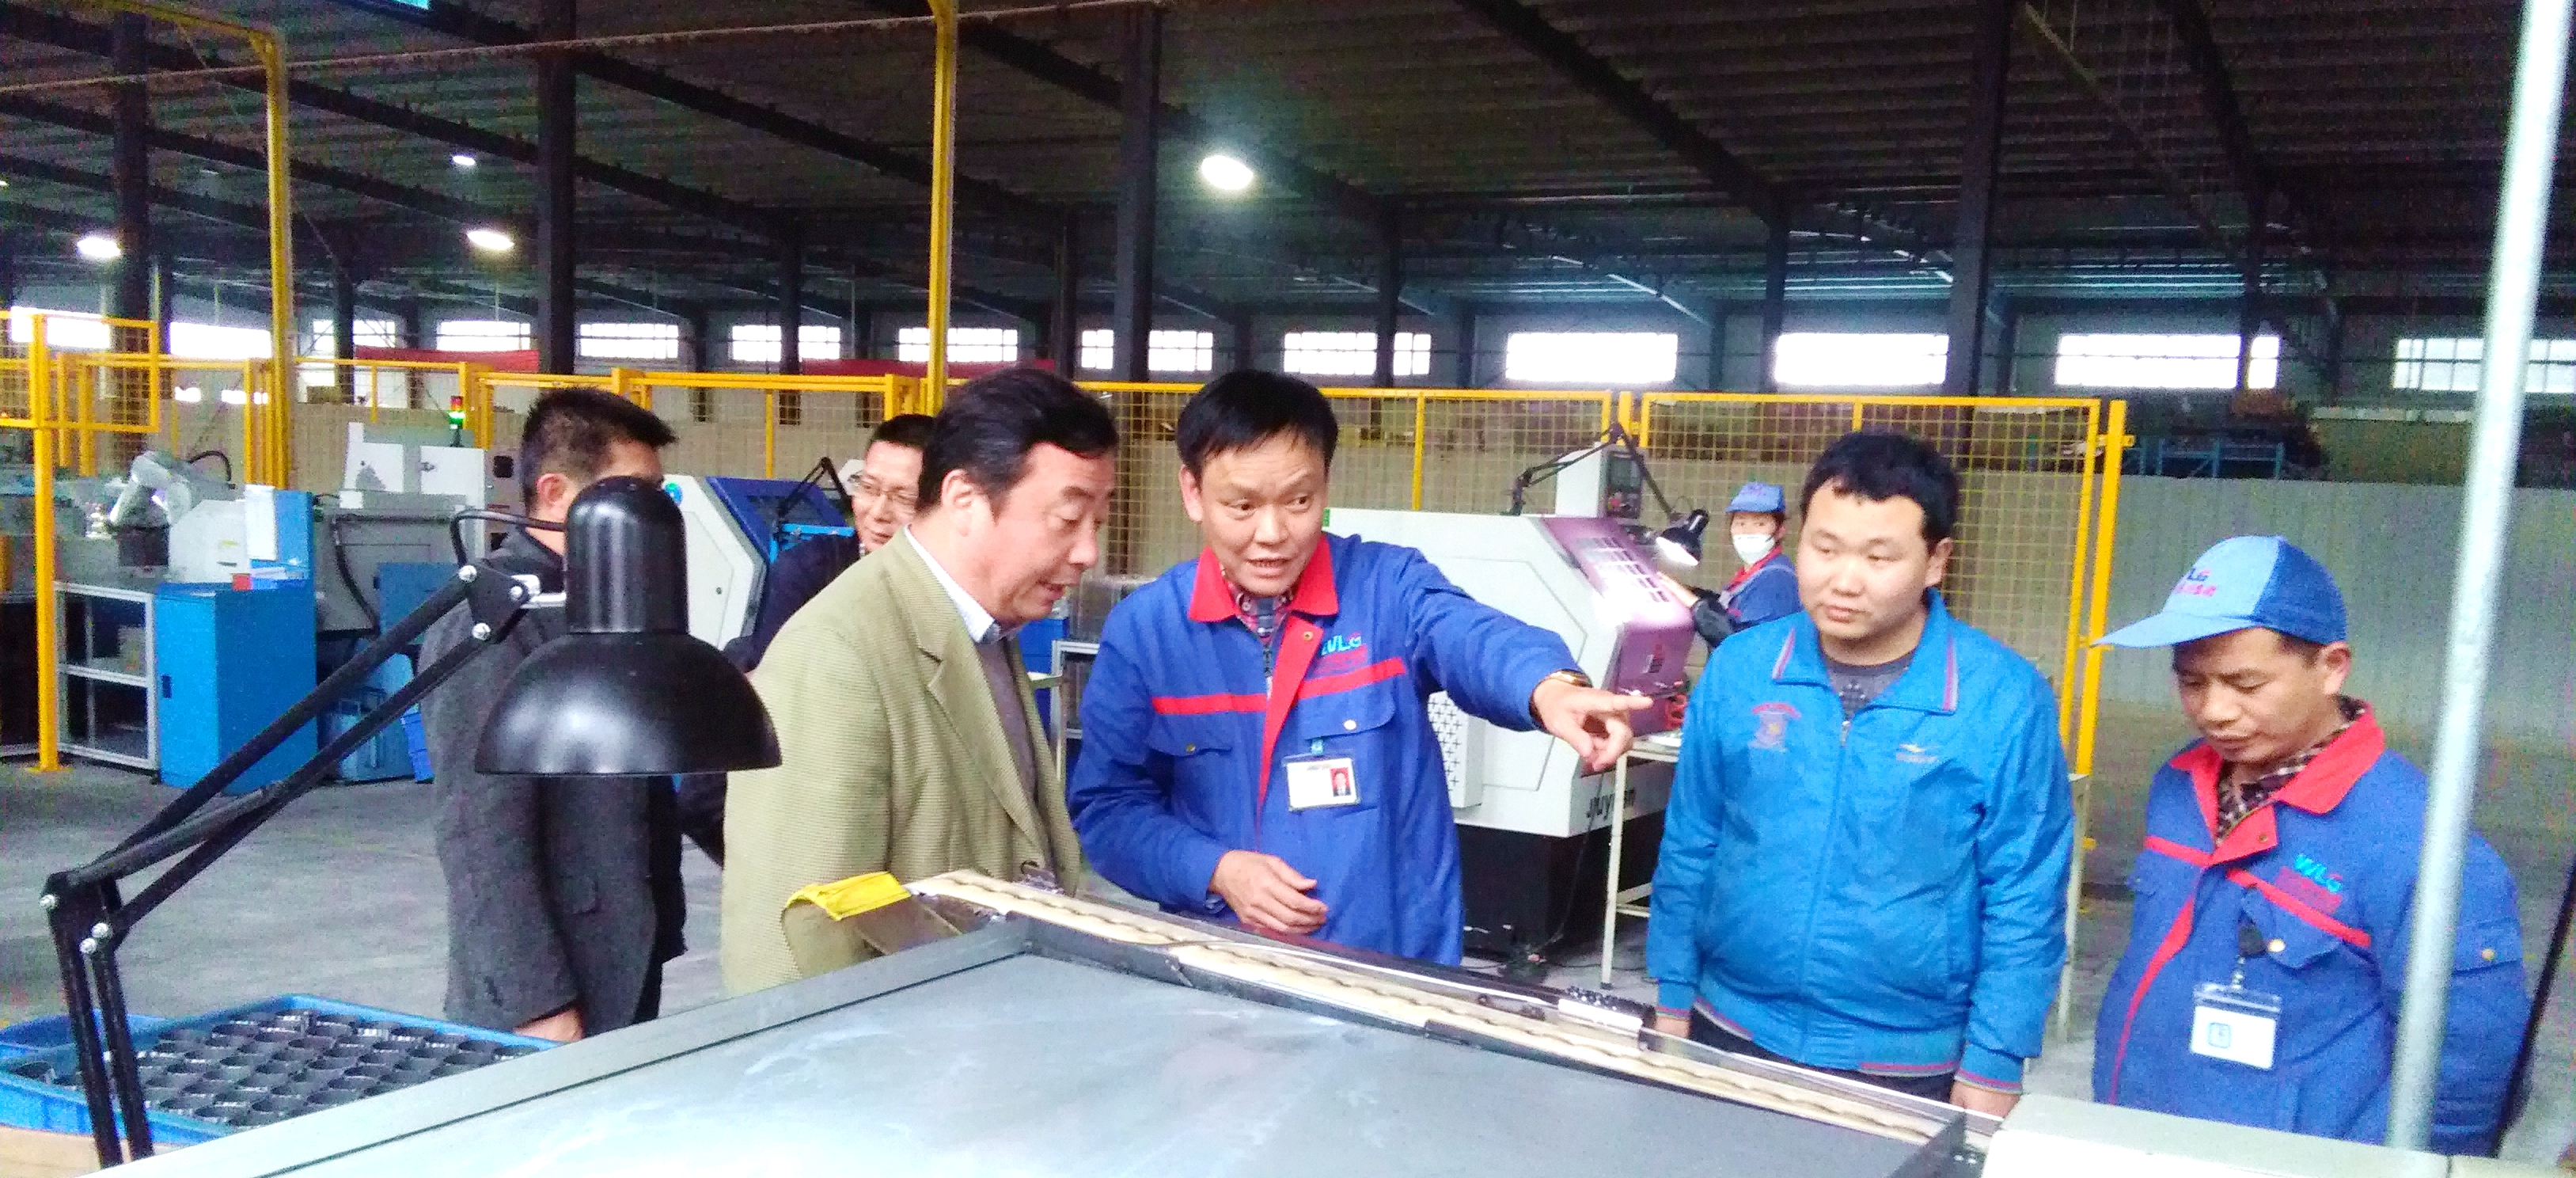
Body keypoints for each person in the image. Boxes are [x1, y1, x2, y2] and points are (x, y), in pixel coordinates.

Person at [1068, 370, 1650, 965]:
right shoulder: (1147, 633)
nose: (1271, 534)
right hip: (1224, 969)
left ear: (1324, 485)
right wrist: (1214, 870)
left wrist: (1548, 688)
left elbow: (1471, 636)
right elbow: (1109, 808)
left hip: (1392, 973)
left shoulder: (1387, 588)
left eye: (1298, 501)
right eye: (1242, 506)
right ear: (1192, 492)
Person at [1647, 429, 2073, 1117]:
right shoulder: (1742, 670)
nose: (1843, 580)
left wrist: (1994, 1061)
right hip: (1727, 1025)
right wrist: (1671, 997)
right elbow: (1692, 840)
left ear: (1935, 561)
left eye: (1879, 557)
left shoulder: (2000, 698)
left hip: (1906, 1061)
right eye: (1824, 548)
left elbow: (2024, 892)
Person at [2091, 536, 2528, 1153]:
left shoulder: (2415, 845)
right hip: (2137, 1133)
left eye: (2244, 683)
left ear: (2330, 667)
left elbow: (2470, 1069)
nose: (2213, 711)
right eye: (2191, 682)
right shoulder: (2180, 784)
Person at [719, 370, 1116, 994]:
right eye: (1067, 519)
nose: (1088, 551)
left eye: (1097, 521)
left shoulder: (983, 630)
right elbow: (788, 946)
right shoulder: (837, 656)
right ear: (964, 498)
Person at [422, 389, 681, 1042]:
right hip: (551, 980)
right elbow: (479, 834)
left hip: (622, 946)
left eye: (658, 494)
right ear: (557, 493)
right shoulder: (495, 623)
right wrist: (535, 1002)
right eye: (635, 491)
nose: (653, 513)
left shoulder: (607, 603)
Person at [738, 413, 935, 665]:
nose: (878, 513)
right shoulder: (810, 571)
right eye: (869, 488)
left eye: (904, 498)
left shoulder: (960, 587)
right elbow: (769, 675)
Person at [1664, 481, 1800, 646]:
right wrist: (1690, 593)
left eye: (1760, 524)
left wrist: (1695, 605)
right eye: (1741, 523)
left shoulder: (1776, 580)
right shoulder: (1753, 574)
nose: (1748, 531)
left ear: (1780, 531)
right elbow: (1729, 612)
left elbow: (1744, 645)